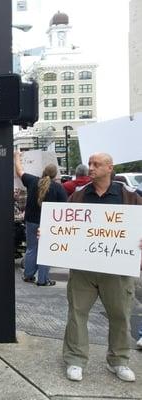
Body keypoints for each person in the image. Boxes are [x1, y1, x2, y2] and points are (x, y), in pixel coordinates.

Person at [63, 153, 142, 383]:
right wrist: (49, 234)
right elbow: (64, 225)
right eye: (89, 164)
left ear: (110, 168)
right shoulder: (78, 196)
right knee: (77, 314)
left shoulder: (129, 197)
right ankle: (75, 360)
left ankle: (119, 361)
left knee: (120, 315)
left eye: (96, 164)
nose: (91, 168)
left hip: (117, 269)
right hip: (83, 269)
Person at [15, 152, 67, 286]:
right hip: (49, 224)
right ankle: (43, 279)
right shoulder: (58, 189)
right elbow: (63, 209)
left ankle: (28, 275)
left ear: (43, 172)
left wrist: (17, 156)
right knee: (46, 250)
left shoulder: (32, 181)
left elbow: (19, 171)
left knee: (31, 248)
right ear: (55, 175)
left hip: (31, 221)